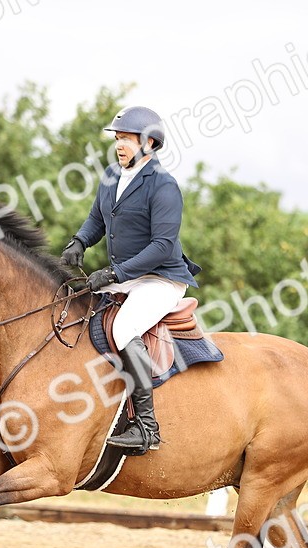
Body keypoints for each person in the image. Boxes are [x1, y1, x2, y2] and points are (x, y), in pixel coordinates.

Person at [61, 106, 201, 456]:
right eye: (118, 138)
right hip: (127, 278)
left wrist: (113, 274)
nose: (119, 145)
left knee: (124, 329)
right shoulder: (112, 175)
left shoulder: (164, 186)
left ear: (149, 143)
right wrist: (79, 241)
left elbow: (162, 246)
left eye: (126, 138)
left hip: (161, 279)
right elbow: (96, 219)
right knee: (70, 305)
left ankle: (147, 428)